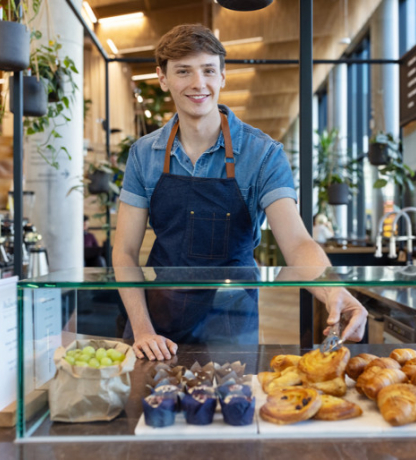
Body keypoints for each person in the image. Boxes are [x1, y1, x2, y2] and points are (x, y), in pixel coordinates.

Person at [112, 24, 367, 361]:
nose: (198, 83)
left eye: (208, 70)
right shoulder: (144, 154)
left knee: (232, 410)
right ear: (163, 78)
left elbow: (296, 242)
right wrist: (143, 329)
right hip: (159, 318)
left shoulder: (263, 154)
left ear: (223, 76)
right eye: (183, 71)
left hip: (231, 319)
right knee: (149, 412)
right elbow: (125, 251)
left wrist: (333, 289)